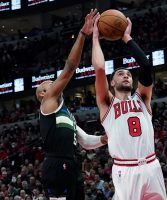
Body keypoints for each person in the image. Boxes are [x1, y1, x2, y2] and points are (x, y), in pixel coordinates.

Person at [91, 15, 166, 199]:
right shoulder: (107, 104)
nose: (126, 76)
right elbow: (99, 68)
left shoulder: (142, 98)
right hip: (125, 170)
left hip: (152, 166)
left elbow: (146, 65)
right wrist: (94, 38)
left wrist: (126, 38)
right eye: (120, 74)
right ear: (112, 83)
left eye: (129, 74)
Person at [36, 9, 107, 200]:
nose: (54, 83)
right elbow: (69, 68)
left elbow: (83, 140)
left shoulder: (66, 114)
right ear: (43, 93)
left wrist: (103, 139)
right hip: (56, 164)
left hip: (71, 164)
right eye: (49, 84)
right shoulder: (48, 102)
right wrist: (83, 34)